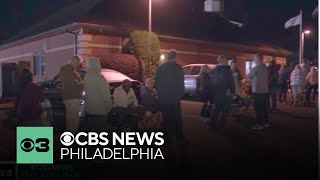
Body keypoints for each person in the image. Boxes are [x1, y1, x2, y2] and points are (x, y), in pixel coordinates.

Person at [155, 49, 185, 142]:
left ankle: (167, 136)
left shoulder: (160, 68)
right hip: (174, 97)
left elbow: (157, 83)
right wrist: (180, 94)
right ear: (175, 57)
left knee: (166, 116)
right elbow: (181, 83)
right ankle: (179, 135)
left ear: (167, 57)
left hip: (164, 96)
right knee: (176, 116)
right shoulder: (178, 68)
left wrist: (160, 94)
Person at [83, 57, 112, 132]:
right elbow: (105, 94)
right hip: (100, 110)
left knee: (91, 132)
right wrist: (109, 106)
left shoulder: (86, 77)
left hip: (89, 109)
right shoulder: (99, 77)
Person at [208, 55, 235, 128]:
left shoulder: (215, 69)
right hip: (226, 92)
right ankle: (221, 124)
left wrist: (211, 93)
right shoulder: (227, 69)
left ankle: (212, 123)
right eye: (226, 60)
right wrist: (232, 91)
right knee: (225, 109)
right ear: (223, 60)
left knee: (216, 108)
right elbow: (230, 81)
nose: (227, 61)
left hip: (217, 92)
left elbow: (211, 82)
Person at [60, 55, 83, 134]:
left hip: (68, 97)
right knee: (74, 119)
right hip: (73, 97)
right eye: (78, 63)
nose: (78, 65)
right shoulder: (70, 71)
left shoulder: (65, 70)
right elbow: (73, 84)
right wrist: (82, 84)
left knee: (70, 118)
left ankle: (69, 135)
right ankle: (72, 136)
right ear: (75, 61)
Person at [246, 54, 270, 130]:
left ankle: (259, 124)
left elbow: (248, 76)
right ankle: (266, 122)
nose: (254, 60)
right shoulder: (265, 67)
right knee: (264, 108)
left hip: (257, 91)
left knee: (258, 108)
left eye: (255, 59)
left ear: (258, 59)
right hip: (265, 91)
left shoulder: (256, 68)